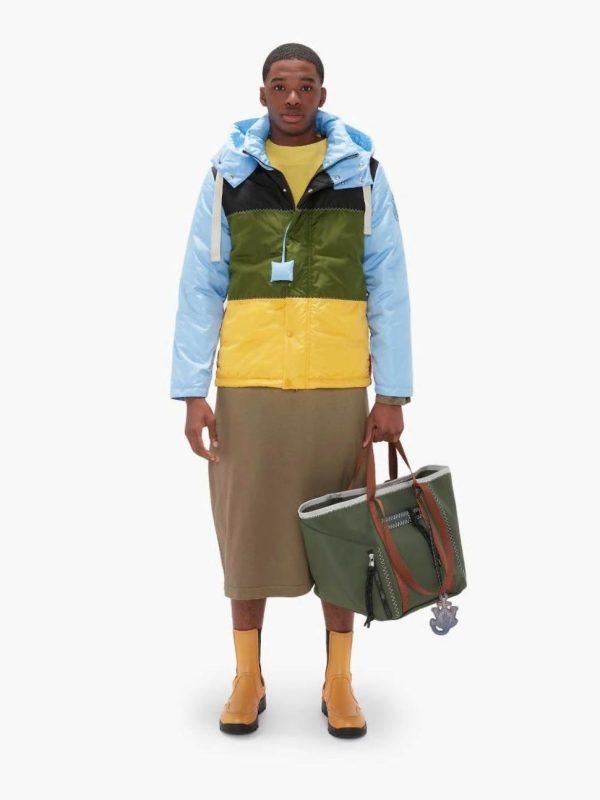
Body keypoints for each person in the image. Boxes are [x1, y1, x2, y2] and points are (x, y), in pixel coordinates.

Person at [170, 42, 413, 738]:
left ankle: (339, 680)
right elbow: (201, 284)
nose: (293, 98)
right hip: (249, 385)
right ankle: (248, 676)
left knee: (344, 534)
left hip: (337, 384)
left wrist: (392, 393)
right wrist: (192, 390)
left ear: (322, 94)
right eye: (280, 86)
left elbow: (389, 284)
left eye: (305, 86)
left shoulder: (362, 173)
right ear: (262, 95)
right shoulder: (229, 174)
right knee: (246, 538)